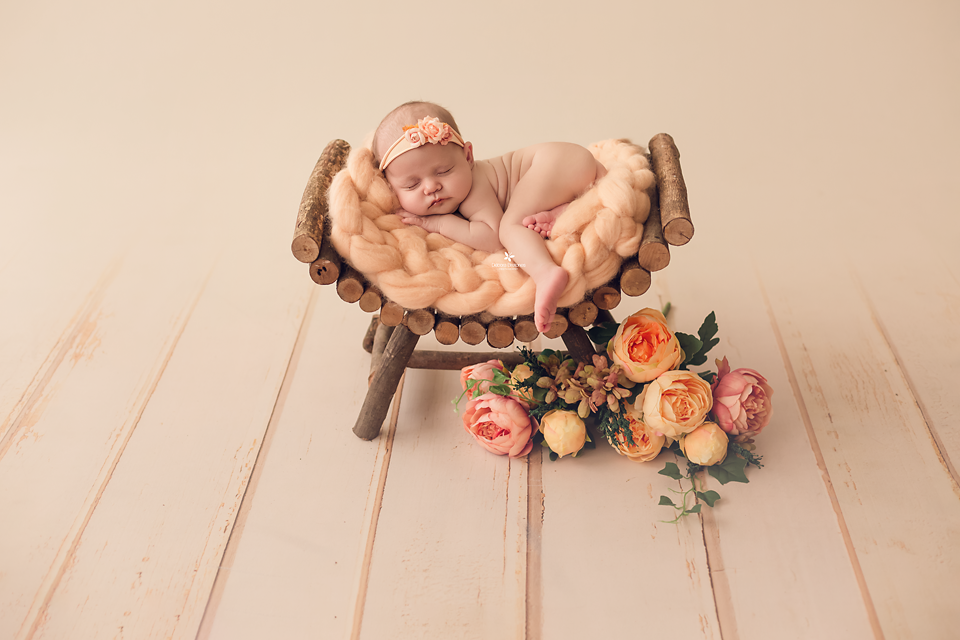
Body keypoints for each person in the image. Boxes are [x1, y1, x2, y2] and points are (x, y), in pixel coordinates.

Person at [373, 101, 606, 332]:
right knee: (524, 212)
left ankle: (546, 272)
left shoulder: (474, 189)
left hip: (557, 162)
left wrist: (437, 223)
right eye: (412, 185)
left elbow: (493, 237)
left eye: (443, 171)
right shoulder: (452, 188)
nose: (431, 187)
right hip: (572, 162)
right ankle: (561, 209)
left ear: (468, 157)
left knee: (510, 227)